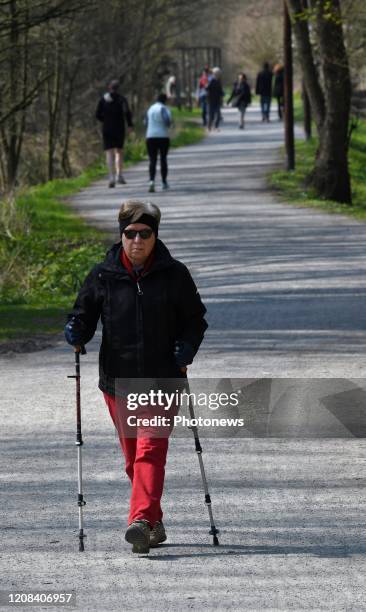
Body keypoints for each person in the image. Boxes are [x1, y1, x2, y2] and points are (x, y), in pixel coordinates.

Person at [64, 200, 208, 554]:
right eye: (130, 234)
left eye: (145, 234)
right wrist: (76, 330)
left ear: (156, 236)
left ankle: (141, 521)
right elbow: (83, 314)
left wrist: (187, 347)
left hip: (163, 380)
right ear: (122, 235)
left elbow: (195, 319)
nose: (137, 240)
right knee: (134, 460)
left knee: (150, 449)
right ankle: (154, 522)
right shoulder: (104, 275)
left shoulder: (175, 275)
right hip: (119, 380)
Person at [96, 79, 133, 188]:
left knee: (109, 152)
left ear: (109, 88)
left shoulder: (103, 99)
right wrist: (130, 125)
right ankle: (119, 175)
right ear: (118, 88)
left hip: (107, 128)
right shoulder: (122, 99)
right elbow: (127, 113)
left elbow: (97, 114)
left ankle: (111, 177)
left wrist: (105, 120)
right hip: (119, 128)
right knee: (119, 152)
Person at [145, 93, 172, 193]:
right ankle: (164, 182)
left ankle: (151, 181)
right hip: (163, 136)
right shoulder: (164, 108)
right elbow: (167, 122)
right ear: (165, 100)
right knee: (163, 159)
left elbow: (145, 122)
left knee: (152, 160)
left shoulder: (150, 109)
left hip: (150, 136)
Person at [206, 67, 224, 131]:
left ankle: (215, 127)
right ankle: (209, 127)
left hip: (217, 100)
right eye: (217, 73)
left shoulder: (218, 81)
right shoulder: (211, 80)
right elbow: (207, 88)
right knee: (211, 116)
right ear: (214, 73)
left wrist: (222, 96)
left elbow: (220, 90)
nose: (218, 75)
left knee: (218, 115)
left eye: (219, 73)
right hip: (210, 100)